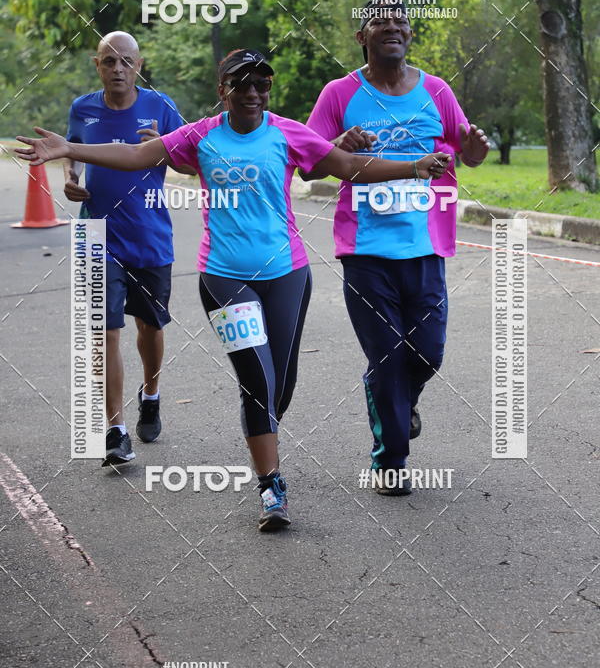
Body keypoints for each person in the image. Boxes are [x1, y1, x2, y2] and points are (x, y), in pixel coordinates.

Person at [16, 48, 450, 530]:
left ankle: (262, 434)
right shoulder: (201, 135)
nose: (252, 93)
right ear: (223, 90)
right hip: (224, 278)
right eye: (241, 84)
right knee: (257, 382)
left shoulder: (287, 132)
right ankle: (272, 488)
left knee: (280, 387)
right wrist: (70, 149)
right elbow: (139, 154)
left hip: (287, 276)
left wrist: (414, 166)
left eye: (261, 84)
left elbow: (348, 165)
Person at [301, 0, 491, 495]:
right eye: (378, 22)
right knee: (386, 357)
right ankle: (391, 460)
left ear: (410, 35)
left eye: (400, 22)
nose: (391, 27)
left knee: (427, 355)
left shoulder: (437, 91)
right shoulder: (339, 93)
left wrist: (474, 149)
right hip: (364, 250)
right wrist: (339, 143)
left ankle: (398, 399)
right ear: (362, 37)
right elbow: (308, 163)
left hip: (426, 245)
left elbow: (465, 150)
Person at [62, 31, 188, 466]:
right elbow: (72, 153)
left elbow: (192, 160)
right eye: (109, 61)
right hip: (96, 234)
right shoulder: (83, 109)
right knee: (104, 331)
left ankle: (150, 394)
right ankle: (115, 429)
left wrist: (165, 149)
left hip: (149, 233)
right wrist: (73, 180)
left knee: (149, 327)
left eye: (126, 62)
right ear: (97, 65)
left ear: (139, 66)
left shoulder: (161, 106)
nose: (118, 69)